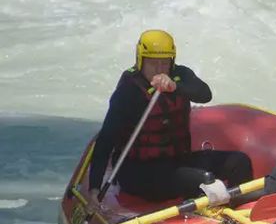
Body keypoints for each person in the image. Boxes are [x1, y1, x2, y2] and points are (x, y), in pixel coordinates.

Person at [88, 30, 253, 203]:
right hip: (137, 172)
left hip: (176, 161)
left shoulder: (181, 75)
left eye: (164, 62)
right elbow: (105, 141)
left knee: (239, 162)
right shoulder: (128, 91)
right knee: (203, 180)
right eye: (153, 63)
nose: (159, 69)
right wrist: (94, 188)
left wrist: (175, 87)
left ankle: (241, 210)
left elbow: (205, 94)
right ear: (140, 61)